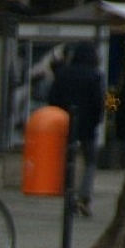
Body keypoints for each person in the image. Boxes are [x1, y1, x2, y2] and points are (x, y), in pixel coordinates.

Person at [47, 41, 105, 217]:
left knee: (68, 163)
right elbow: (99, 102)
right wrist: (97, 120)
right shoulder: (95, 76)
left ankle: (69, 197)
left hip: (65, 124)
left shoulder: (63, 73)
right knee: (91, 162)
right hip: (87, 127)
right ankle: (84, 197)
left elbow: (52, 98)